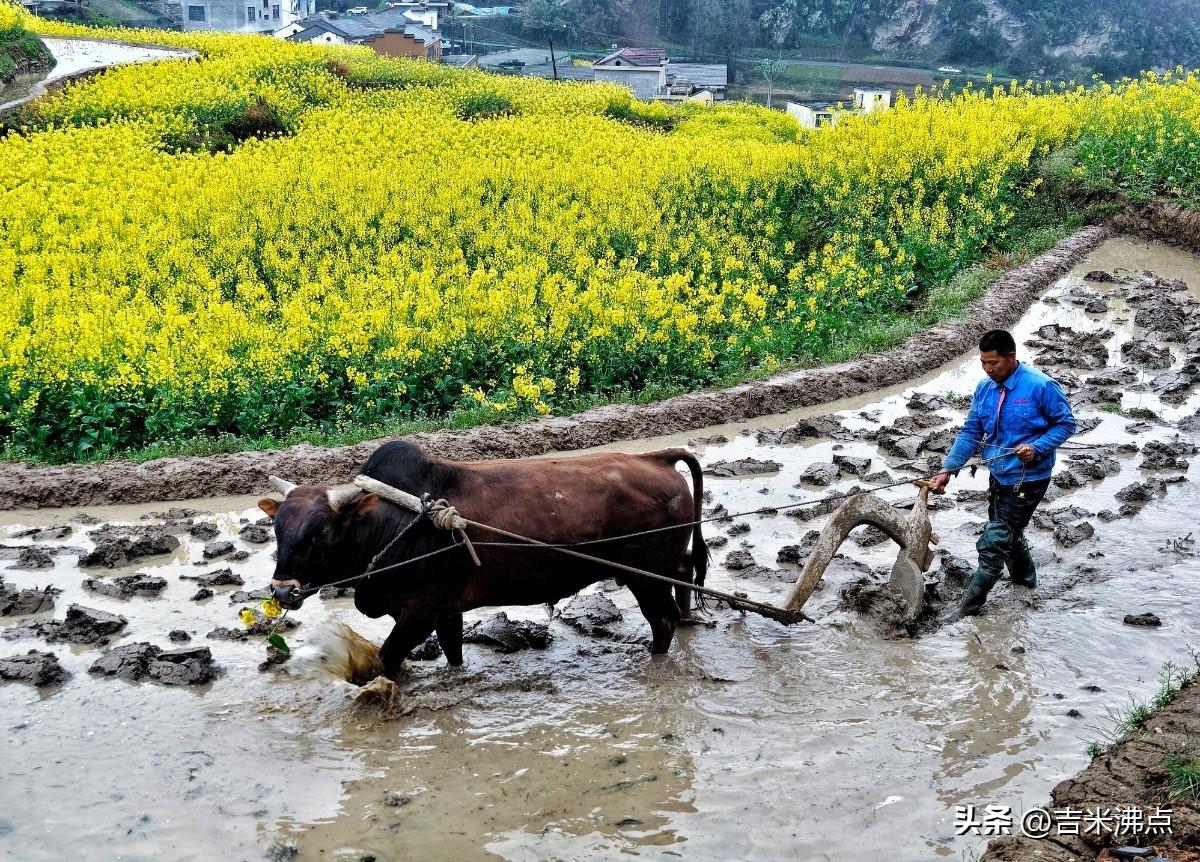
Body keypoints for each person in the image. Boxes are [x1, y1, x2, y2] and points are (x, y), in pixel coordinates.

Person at [929, 329, 1076, 616]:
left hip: (1028, 479)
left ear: (1011, 357)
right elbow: (971, 432)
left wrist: (1037, 448)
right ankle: (1026, 581)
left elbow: (1066, 424)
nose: (988, 369)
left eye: (993, 363)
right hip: (999, 475)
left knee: (994, 542)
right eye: (983, 363)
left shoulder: (1041, 386)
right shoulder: (985, 389)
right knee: (1008, 532)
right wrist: (948, 469)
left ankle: (967, 610)